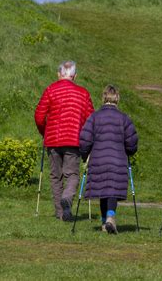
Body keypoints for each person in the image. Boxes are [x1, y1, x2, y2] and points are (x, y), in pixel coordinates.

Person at [34, 61, 95, 221]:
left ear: (59, 74)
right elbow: (90, 120)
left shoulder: (50, 90)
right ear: (75, 76)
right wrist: (88, 141)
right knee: (72, 174)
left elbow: (39, 116)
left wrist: (44, 133)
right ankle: (67, 198)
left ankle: (60, 212)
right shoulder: (83, 93)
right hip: (74, 140)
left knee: (56, 176)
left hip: (53, 140)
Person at [79, 85, 138, 234]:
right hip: (117, 160)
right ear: (117, 98)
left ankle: (105, 221)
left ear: (103, 98)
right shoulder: (124, 118)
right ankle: (110, 217)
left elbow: (85, 139)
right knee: (111, 189)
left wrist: (85, 155)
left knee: (102, 190)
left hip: (98, 159)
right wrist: (130, 150)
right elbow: (132, 142)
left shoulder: (94, 117)